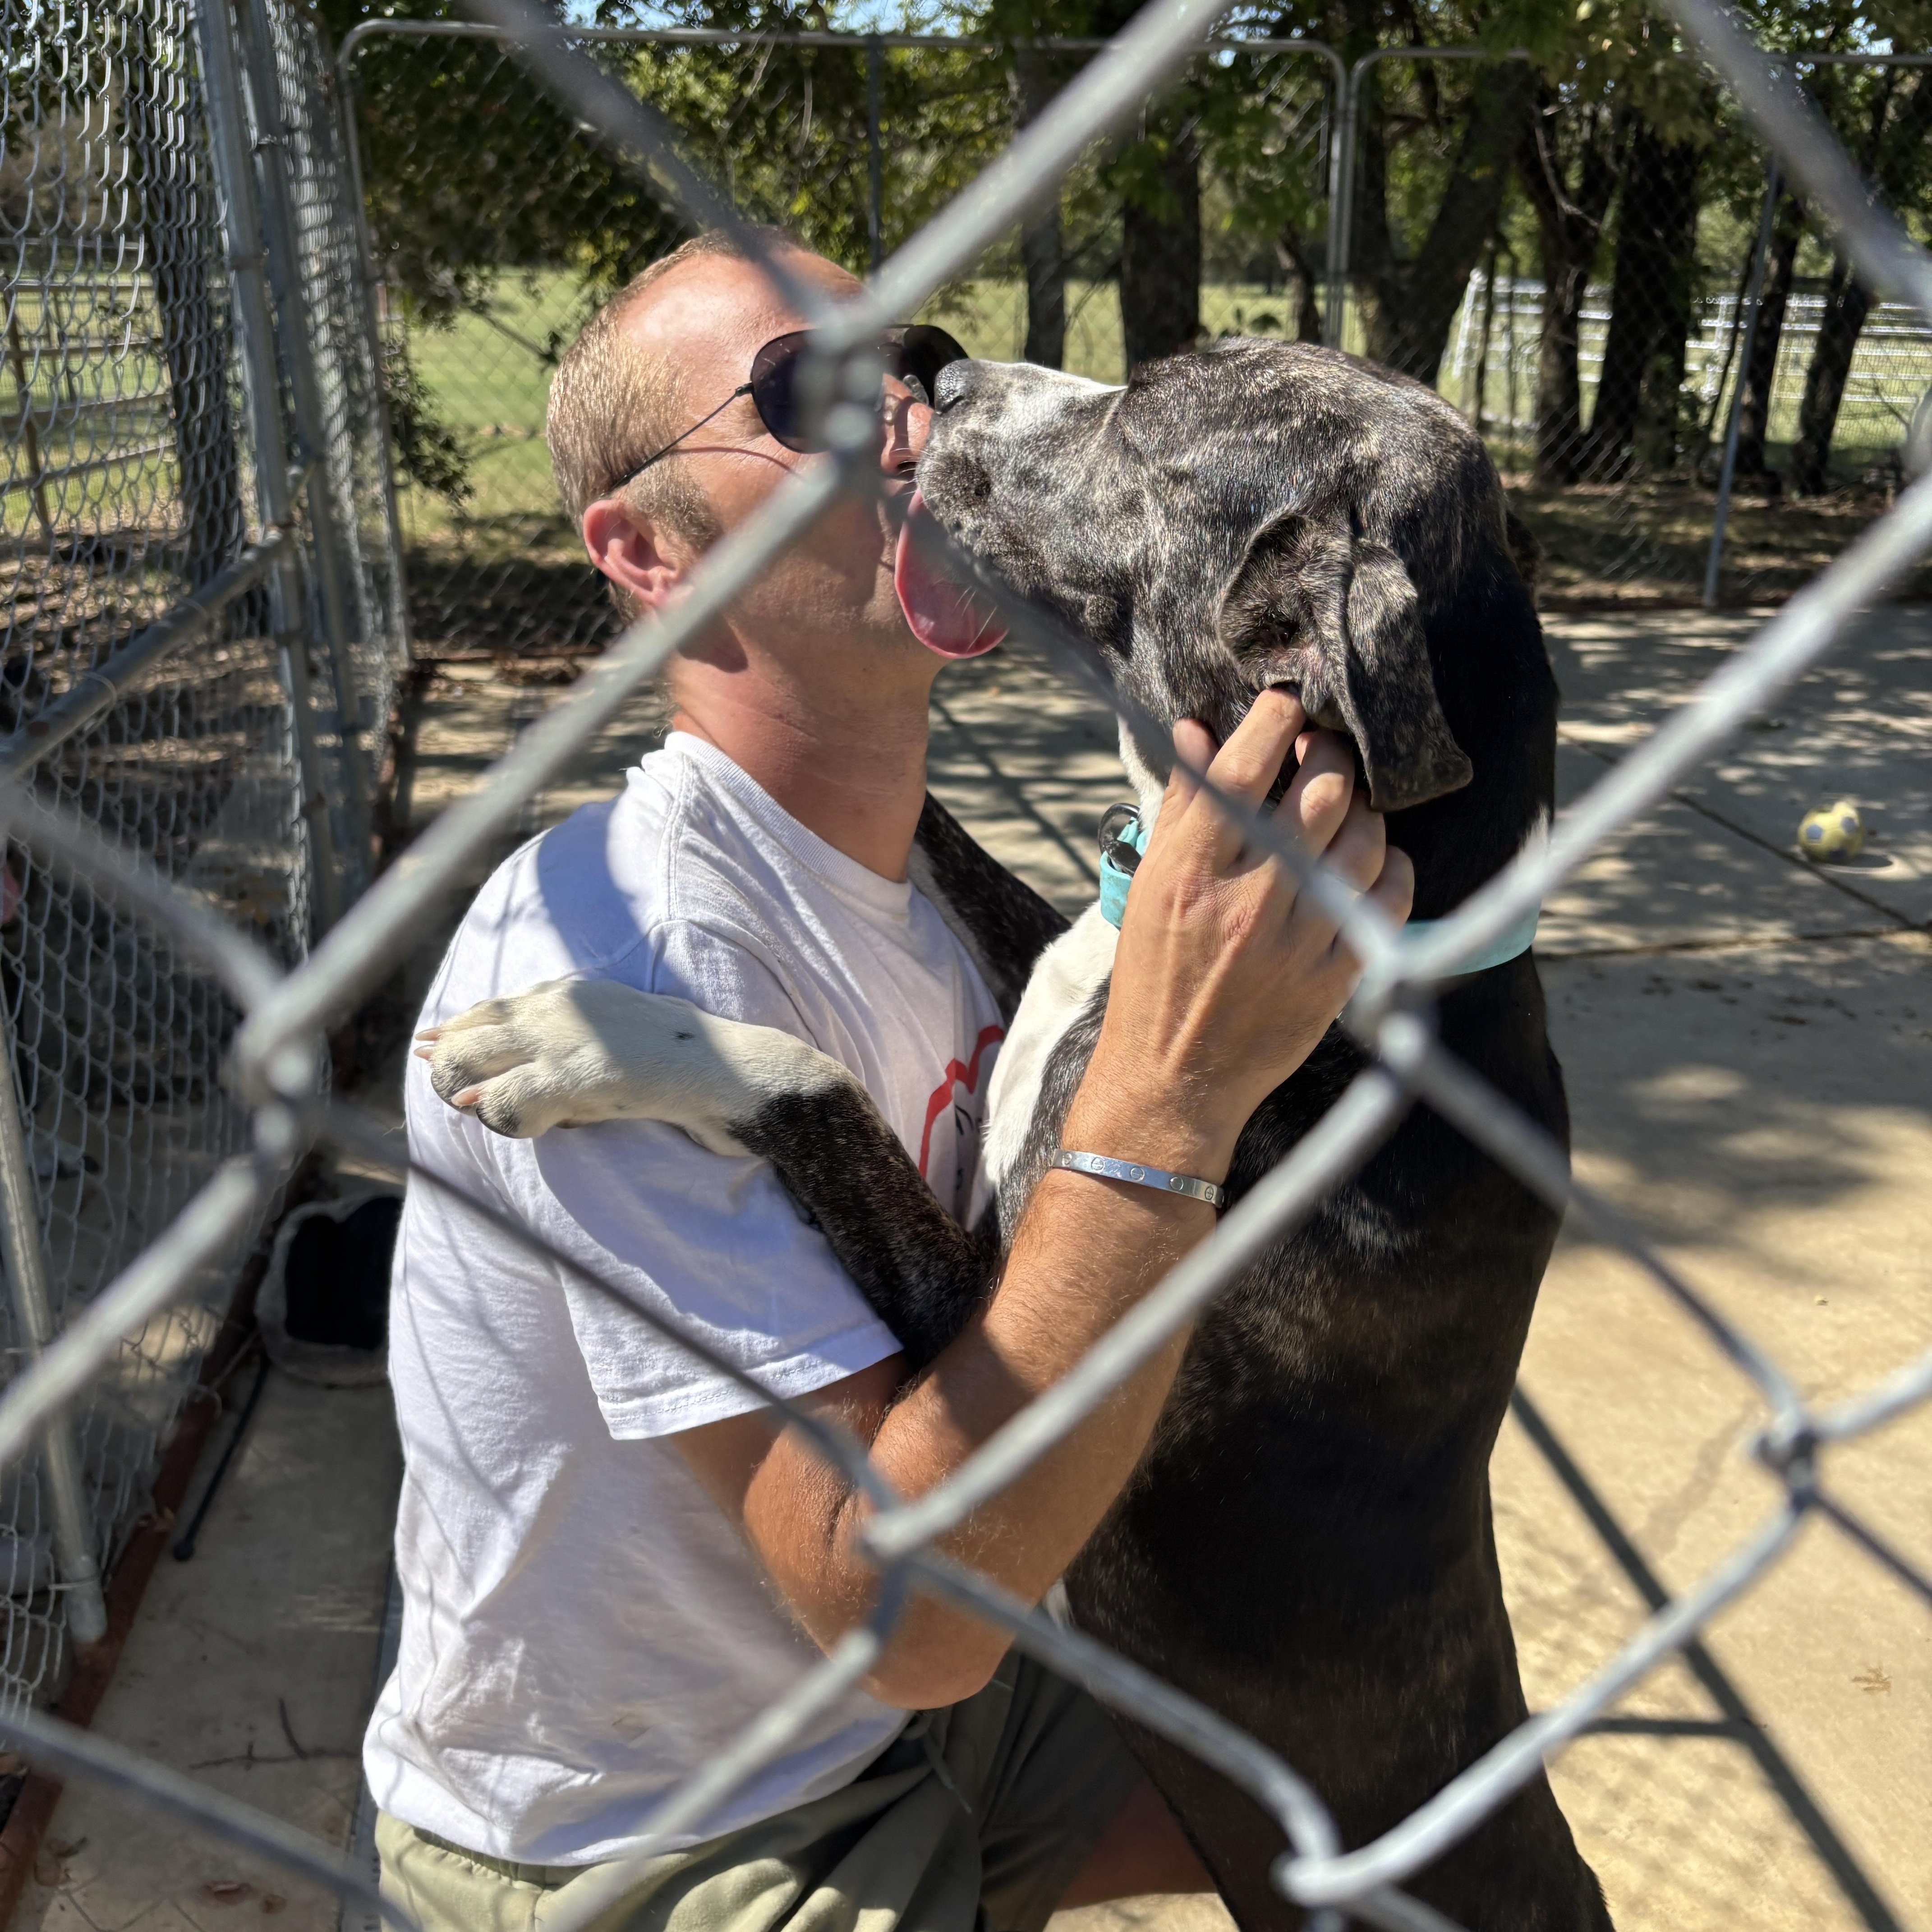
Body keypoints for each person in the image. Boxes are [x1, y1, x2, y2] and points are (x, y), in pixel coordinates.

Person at [367, 229, 1413, 1932]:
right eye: (815, 397)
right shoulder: (615, 948)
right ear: (647, 548)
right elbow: (902, 1613)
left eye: (918, 370)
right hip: (661, 1820)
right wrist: (1168, 1099)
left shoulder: (928, 884)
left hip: (958, 1707)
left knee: (1389, 1804)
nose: (917, 424)